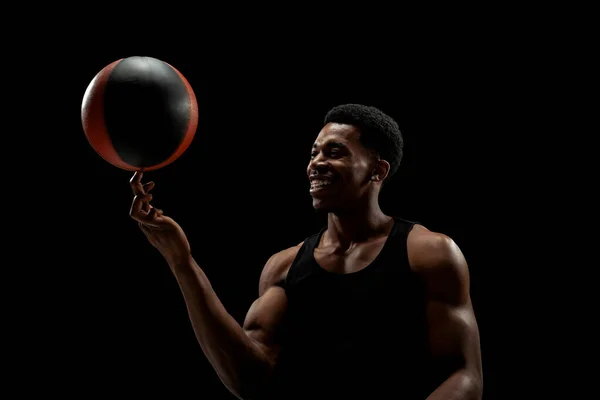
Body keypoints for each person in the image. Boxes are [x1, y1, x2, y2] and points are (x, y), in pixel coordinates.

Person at [129, 104, 483, 399]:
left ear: (378, 170)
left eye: (335, 152)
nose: (316, 163)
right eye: (314, 153)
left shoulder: (430, 253)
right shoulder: (283, 267)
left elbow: (464, 376)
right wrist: (181, 261)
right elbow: (247, 380)